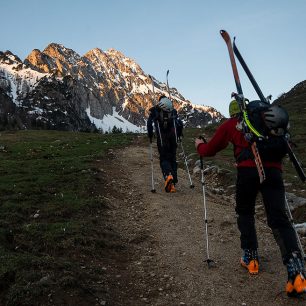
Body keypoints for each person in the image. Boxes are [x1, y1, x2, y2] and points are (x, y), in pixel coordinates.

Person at [195, 99, 306, 296]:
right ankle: (296, 272)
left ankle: (251, 257)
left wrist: (199, 146)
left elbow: (210, 150)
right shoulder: (265, 122)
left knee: (245, 212)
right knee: (280, 220)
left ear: (233, 112)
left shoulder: (231, 125)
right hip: (274, 172)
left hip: (247, 172)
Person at [147, 95, 183, 193]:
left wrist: (150, 135)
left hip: (162, 139)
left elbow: (149, 123)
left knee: (164, 158)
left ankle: (168, 176)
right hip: (173, 138)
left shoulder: (155, 110)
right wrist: (179, 135)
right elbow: (179, 123)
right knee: (172, 158)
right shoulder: (173, 110)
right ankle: (173, 181)